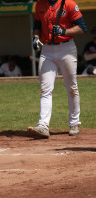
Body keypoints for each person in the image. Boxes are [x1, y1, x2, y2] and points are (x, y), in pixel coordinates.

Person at [27, 0, 87, 138]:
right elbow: (37, 25)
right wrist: (36, 38)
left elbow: (82, 27)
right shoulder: (40, 4)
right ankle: (43, 125)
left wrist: (64, 30)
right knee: (45, 89)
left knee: (71, 87)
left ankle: (74, 123)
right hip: (47, 49)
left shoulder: (69, 4)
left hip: (66, 48)